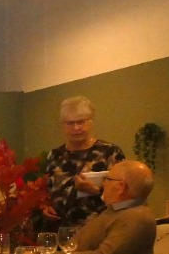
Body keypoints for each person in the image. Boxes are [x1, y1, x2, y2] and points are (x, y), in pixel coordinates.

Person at [45, 96, 125, 228]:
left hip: (98, 230)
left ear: (91, 122)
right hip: (60, 231)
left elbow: (124, 194)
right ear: (63, 126)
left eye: (81, 122)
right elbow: (47, 191)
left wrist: (95, 191)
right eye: (70, 123)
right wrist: (46, 207)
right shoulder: (54, 155)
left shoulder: (110, 152)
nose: (76, 128)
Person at [72, 160, 156, 254]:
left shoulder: (136, 217)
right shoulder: (116, 210)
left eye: (107, 179)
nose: (103, 184)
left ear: (120, 187)